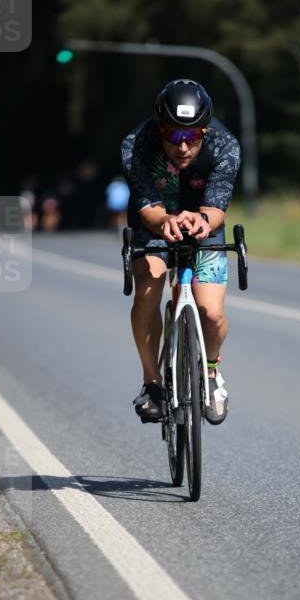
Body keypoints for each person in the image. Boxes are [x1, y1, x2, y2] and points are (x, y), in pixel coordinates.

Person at [121, 79, 241, 425]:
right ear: (160, 129)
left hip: (203, 220)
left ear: (206, 129)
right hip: (156, 220)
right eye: (174, 136)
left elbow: (218, 207)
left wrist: (203, 219)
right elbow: (146, 207)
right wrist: (166, 222)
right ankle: (152, 383)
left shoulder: (225, 146)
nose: (184, 146)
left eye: (194, 135)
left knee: (211, 313)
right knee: (147, 290)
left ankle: (212, 371)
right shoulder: (137, 144)